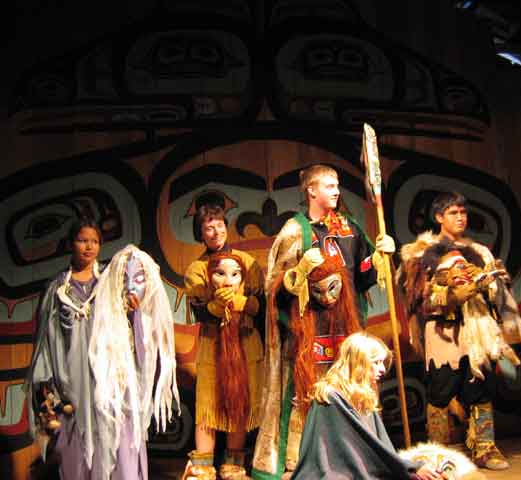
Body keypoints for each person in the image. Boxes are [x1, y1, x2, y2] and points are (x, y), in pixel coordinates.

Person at [252, 165, 395, 479]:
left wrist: (380, 256)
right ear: (311, 191)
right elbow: (274, 287)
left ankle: (351, 456)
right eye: (329, 185)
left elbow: (363, 273)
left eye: (337, 185)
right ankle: (298, 460)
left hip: (345, 326)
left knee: (349, 389)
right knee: (307, 392)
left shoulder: (350, 227)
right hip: (308, 329)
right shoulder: (294, 230)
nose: (336, 191)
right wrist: (300, 273)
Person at [26, 219, 179, 479]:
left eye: (94, 242)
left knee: (117, 431)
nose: (89, 247)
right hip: (74, 375)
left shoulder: (110, 283)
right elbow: (47, 338)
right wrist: (48, 382)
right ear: (70, 244)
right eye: (82, 240)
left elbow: (130, 314)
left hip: (108, 374)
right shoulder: (57, 289)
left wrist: (133, 306)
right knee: (77, 440)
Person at [399, 192, 521, 470]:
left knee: (481, 389)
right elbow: (416, 297)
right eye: (453, 213)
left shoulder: (480, 251)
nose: (461, 217)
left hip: (477, 329)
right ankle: (437, 454)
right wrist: (450, 296)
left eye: (463, 212)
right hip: (443, 331)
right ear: (439, 217)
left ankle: (485, 448)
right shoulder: (422, 252)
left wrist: (490, 285)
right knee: (440, 392)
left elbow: (497, 293)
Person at [291, 332, 480, 480]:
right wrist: (409, 468)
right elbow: (361, 449)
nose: (382, 369)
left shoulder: (363, 396)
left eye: (382, 362)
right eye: (376, 363)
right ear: (359, 363)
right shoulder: (331, 397)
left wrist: (406, 468)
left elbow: (381, 447)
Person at [183, 203, 264, 480]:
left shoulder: (248, 261)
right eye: (208, 227)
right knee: (209, 402)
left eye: (219, 224)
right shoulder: (196, 268)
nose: (215, 231)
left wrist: (245, 303)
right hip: (213, 344)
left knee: (238, 400)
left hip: (245, 342)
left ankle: (234, 464)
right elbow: (199, 310)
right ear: (201, 234)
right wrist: (216, 307)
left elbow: (263, 305)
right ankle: (203, 466)